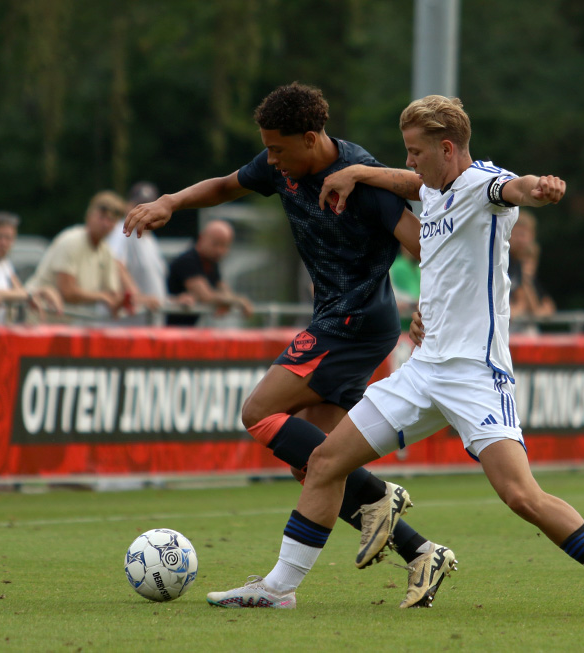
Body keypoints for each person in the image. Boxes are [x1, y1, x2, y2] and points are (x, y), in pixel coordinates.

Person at [206, 95, 584, 619]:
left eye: (414, 151)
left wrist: (541, 189)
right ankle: (279, 587)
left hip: (476, 374)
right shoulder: (434, 187)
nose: (408, 162)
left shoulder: (485, 185)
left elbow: (513, 189)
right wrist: (358, 173)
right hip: (423, 370)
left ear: (446, 149)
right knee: (322, 463)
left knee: (522, 496)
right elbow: (407, 185)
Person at [124, 82, 449, 606]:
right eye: (266, 149)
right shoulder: (282, 165)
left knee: (257, 411)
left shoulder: (361, 180)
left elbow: (422, 244)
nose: (270, 160)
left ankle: (378, 502)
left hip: (354, 321)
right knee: (317, 465)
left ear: (312, 136)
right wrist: (170, 202)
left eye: (278, 149)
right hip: (339, 320)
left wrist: (429, 308)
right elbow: (227, 185)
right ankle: (421, 552)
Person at [26, 191, 134, 323]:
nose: (105, 224)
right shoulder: (71, 241)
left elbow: (112, 295)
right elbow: (68, 292)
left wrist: (122, 302)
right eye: (102, 217)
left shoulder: (106, 252)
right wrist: (103, 297)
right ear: (89, 216)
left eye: (111, 220)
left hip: (62, 323)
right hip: (37, 318)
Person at [0, 211, 62, 324]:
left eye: (8, 238)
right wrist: (30, 295)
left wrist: (42, 292)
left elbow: (20, 291)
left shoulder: (4, 263)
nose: (3, 243)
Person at [166, 219, 253, 326]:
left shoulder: (211, 262)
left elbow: (225, 292)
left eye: (225, 245)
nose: (220, 251)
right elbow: (206, 296)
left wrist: (229, 301)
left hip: (181, 330)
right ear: (201, 238)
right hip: (165, 327)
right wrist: (238, 301)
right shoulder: (188, 261)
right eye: (215, 244)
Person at [108, 182, 168, 320]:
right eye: (139, 206)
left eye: (149, 206)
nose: (144, 211)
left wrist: (172, 300)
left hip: (148, 324)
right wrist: (137, 296)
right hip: (129, 327)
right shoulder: (123, 231)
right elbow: (115, 263)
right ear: (129, 206)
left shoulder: (150, 239)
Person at [510, 240, 556, 324]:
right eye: (523, 262)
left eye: (530, 262)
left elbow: (547, 308)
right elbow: (521, 305)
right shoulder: (513, 280)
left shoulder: (534, 283)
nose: (527, 266)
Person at [389, 245, 420, 331]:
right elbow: (415, 297)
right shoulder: (399, 266)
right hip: (401, 329)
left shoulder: (418, 268)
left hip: (414, 327)